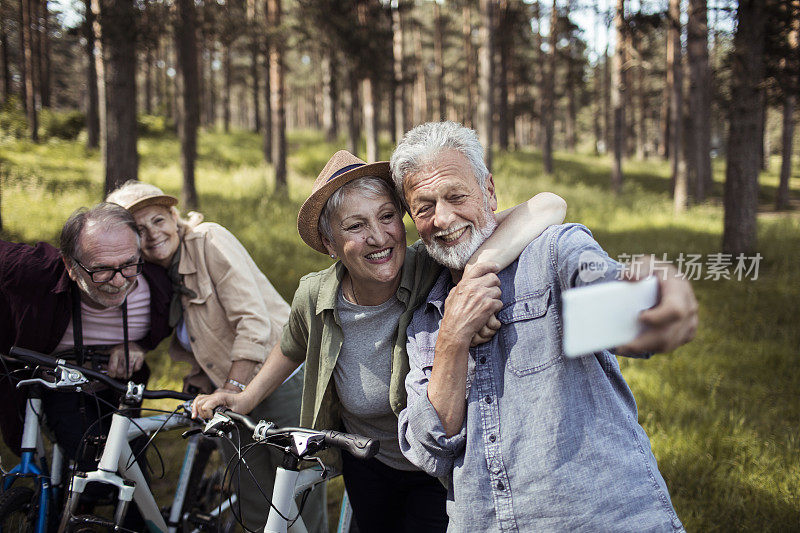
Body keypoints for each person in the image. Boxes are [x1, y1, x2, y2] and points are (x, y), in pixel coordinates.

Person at [192, 149, 568, 532]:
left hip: (439, 464)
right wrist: (244, 398)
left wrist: (471, 280)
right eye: (355, 226)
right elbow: (291, 347)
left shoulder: (430, 263)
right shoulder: (315, 295)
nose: (378, 237)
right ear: (330, 243)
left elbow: (548, 206)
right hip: (366, 460)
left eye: (387, 216)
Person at [392, 121, 698, 532]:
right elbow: (431, 452)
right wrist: (453, 337)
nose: (442, 218)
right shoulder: (425, 323)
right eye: (424, 207)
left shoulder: (553, 254)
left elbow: (621, 307)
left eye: (456, 195)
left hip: (599, 519)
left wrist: (652, 305)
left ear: (490, 191)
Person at [105, 181, 324, 533]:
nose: (152, 235)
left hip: (281, 380)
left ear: (174, 217)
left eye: (158, 221)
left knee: (296, 502)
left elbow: (252, 322)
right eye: (139, 230)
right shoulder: (161, 273)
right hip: (231, 395)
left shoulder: (208, 239)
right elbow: (200, 336)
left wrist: (232, 386)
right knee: (253, 502)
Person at [0, 202, 170, 475]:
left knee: (132, 472)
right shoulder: (34, 270)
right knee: (86, 468)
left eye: (128, 264)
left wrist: (139, 346)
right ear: (69, 265)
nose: (118, 282)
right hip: (59, 389)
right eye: (101, 269)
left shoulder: (159, 287)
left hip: (122, 388)